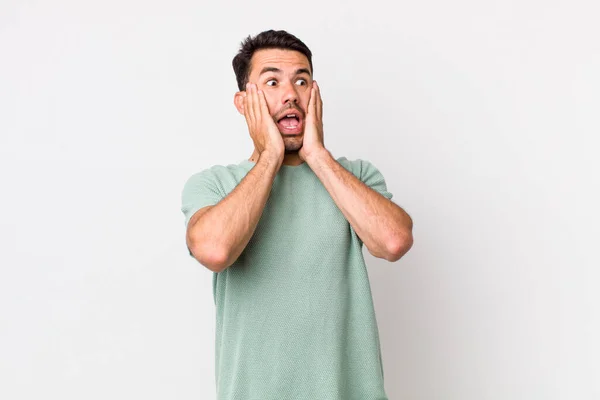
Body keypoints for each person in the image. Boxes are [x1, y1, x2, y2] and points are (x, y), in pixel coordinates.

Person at [181, 29, 414, 400]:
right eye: (272, 81)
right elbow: (214, 250)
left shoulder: (355, 176)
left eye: (302, 81)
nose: (291, 94)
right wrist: (270, 156)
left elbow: (394, 241)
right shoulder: (215, 184)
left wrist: (317, 156)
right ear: (244, 103)